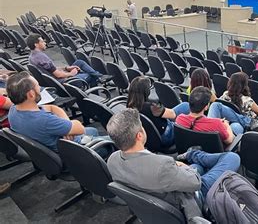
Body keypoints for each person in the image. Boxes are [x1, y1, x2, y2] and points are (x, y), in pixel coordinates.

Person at [106, 108, 240, 220]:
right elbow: (196, 182)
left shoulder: (112, 161)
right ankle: (194, 154)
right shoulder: (161, 166)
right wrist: (184, 167)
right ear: (139, 136)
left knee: (198, 166)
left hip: (159, 202)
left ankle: (194, 156)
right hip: (188, 199)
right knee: (232, 158)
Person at [6, 71, 105, 152]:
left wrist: (67, 127)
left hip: (55, 147)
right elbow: (80, 128)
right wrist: (69, 126)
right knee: (116, 143)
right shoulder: (44, 120)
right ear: (31, 94)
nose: (40, 88)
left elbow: (53, 108)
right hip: (76, 152)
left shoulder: (13, 110)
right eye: (37, 85)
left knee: (94, 130)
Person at [127, 76, 190, 147]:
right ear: (146, 91)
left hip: (148, 137)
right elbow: (173, 115)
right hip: (165, 137)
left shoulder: (129, 106)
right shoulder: (151, 107)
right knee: (186, 106)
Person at [27, 34, 104, 86]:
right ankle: (94, 101)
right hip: (63, 82)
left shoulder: (32, 56)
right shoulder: (41, 57)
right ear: (36, 44)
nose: (45, 43)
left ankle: (99, 76)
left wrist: (66, 68)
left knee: (79, 62)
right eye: (42, 41)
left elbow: (51, 69)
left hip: (53, 79)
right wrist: (71, 74)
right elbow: (58, 75)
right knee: (90, 75)